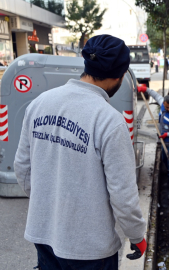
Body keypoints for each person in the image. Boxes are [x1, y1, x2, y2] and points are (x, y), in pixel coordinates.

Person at [14, 35, 147, 270]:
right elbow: (123, 196)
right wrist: (136, 236)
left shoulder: (39, 104)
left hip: (43, 234)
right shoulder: (109, 121)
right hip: (90, 249)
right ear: (120, 75)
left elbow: (23, 169)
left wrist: (49, 204)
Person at [137, 86, 169, 191]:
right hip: (164, 142)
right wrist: (145, 90)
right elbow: (155, 94)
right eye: (167, 107)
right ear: (163, 103)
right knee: (164, 160)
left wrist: (168, 135)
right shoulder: (161, 102)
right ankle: (168, 179)